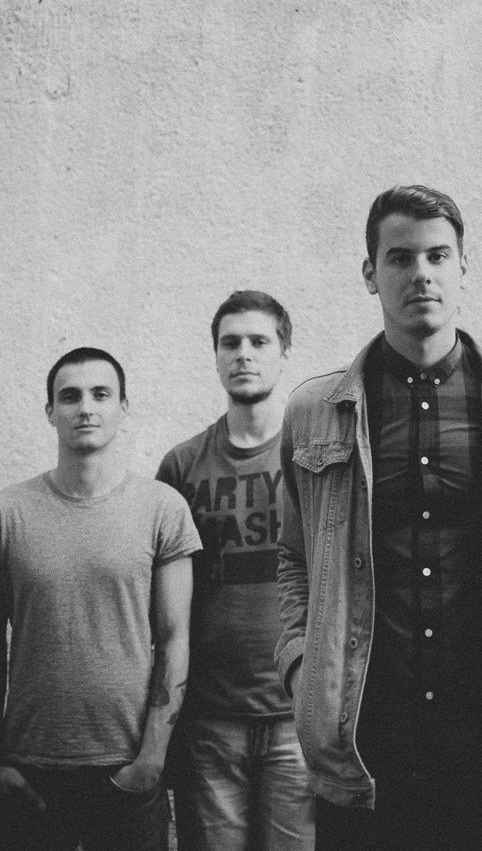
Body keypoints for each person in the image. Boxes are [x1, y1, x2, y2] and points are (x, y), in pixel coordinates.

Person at [275, 185, 482, 851]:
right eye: (400, 258)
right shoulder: (314, 412)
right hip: (366, 742)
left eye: (438, 256)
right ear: (371, 274)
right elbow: (293, 558)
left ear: (463, 268)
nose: (420, 273)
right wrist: (303, 671)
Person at [0, 346, 201, 851]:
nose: (85, 408)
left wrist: (151, 760)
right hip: (28, 769)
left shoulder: (162, 509)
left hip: (127, 767)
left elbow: (175, 638)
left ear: (123, 407)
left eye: (100, 394)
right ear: (50, 411)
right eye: (69, 396)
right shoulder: (4, 514)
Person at [157, 291, 314, 851]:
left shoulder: (314, 458)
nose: (243, 353)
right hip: (210, 718)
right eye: (231, 343)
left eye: (258, 341)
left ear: (284, 352)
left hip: (299, 714)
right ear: (217, 356)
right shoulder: (182, 465)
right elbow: (165, 607)